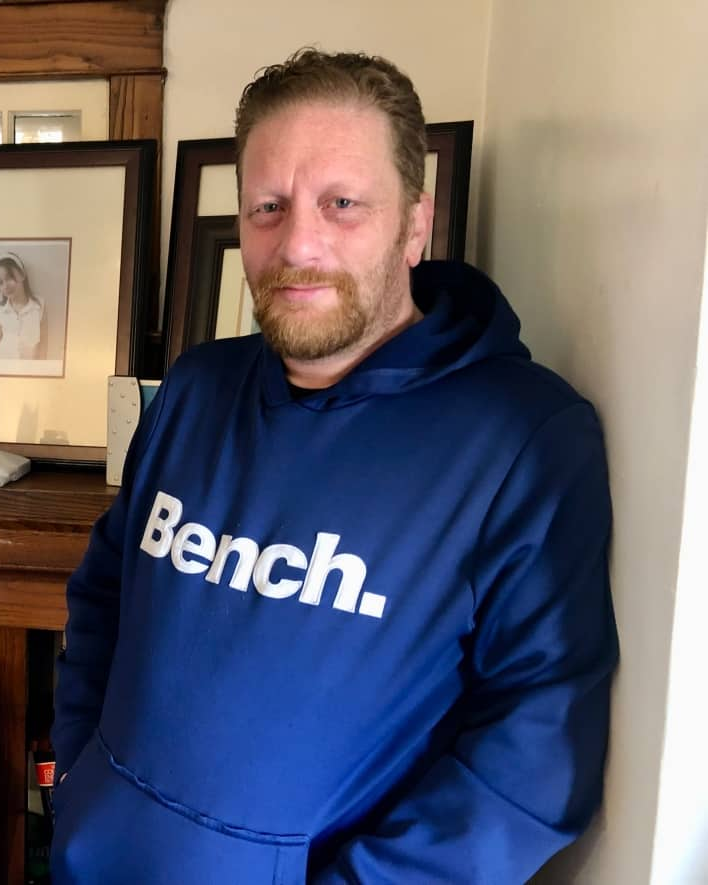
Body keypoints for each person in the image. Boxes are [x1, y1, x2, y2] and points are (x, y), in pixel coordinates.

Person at [51, 47, 618, 884]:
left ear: (415, 223)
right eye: (267, 207)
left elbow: (537, 756)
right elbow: (104, 594)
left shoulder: (524, 438)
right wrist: (77, 782)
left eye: (342, 204)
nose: (297, 243)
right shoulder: (197, 387)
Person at [0, 252, 47, 360]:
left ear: (22, 274)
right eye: (0, 282)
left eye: (9, 278)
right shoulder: (0, 310)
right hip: (3, 366)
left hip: (28, 371)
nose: (5, 286)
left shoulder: (39, 306)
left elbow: (43, 346)